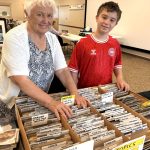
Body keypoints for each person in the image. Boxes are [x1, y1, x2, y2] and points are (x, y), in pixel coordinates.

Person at [0, 0, 87, 120]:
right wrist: (51, 102)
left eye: (49, 15)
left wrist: (75, 93)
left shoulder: (52, 38)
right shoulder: (14, 37)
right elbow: (21, 80)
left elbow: (62, 70)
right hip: (14, 104)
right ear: (27, 14)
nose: (46, 20)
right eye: (40, 14)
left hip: (40, 100)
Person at [68, 1, 129, 91]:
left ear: (116, 23)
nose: (107, 22)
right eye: (104, 17)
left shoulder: (115, 44)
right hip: (85, 89)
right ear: (97, 18)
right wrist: (74, 91)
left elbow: (117, 64)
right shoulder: (82, 43)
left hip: (106, 89)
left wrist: (120, 78)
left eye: (112, 20)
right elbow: (73, 70)